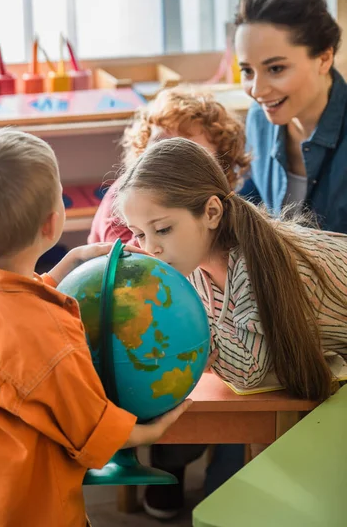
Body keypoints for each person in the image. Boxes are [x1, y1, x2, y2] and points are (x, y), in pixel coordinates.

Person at [0, 128, 191, 527]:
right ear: (52, 222)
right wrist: (151, 432)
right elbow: (93, 431)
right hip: (25, 508)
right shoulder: (49, 339)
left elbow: (9, 305)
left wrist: (65, 267)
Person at [88, 86, 250, 520]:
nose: (171, 158)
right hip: (139, 333)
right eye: (161, 147)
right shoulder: (130, 205)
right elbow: (122, 285)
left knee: (233, 402)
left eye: (187, 151)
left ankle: (214, 477)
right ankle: (170, 467)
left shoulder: (229, 214)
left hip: (206, 333)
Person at [116, 137, 347, 402]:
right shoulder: (192, 262)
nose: (151, 248)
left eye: (163, 229)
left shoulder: (252, 265)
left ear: (211, 212)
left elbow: (247, 370)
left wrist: (193, 338)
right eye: (139, 235)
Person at [234, 0, 347, 232]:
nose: (257, 90)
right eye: (248, 71)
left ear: (324, 58)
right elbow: (252, 199)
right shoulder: (259, 119)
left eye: (276, 68)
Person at [88, 85, 250, 245]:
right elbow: (126, 264)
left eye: (188, 155)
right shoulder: (123, 197)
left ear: (218, 169)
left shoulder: (214, 203)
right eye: (160, 144)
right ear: (142, 147)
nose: (168, 162)